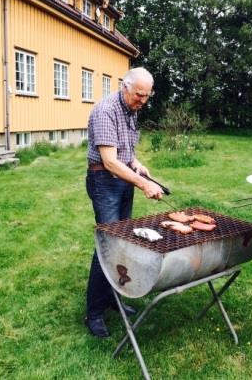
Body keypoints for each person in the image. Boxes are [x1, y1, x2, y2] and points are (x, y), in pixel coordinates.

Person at [84, 67, 164, 338]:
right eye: (138, 95)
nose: (142, 101)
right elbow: (108, 161)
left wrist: (138, 166)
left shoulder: (131, 110)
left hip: (122, 180)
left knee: (121, 242)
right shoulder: (105, 111)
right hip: (104, 181)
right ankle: (93, 313)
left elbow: (125, 153)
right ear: (124, 87)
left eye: (146, 96)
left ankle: (111, 300)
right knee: (107, 243)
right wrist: (144, 184)